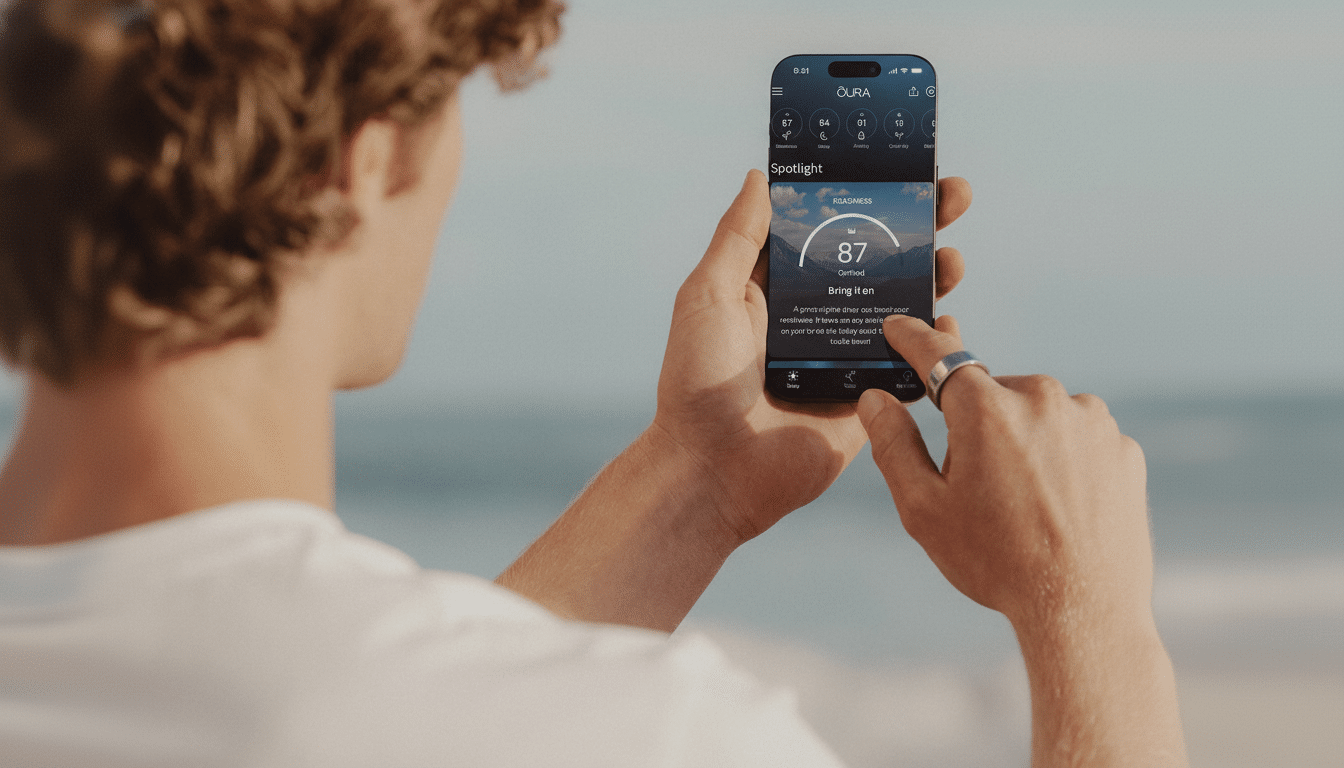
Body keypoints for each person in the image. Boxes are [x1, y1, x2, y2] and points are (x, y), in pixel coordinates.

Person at [0, 1, 1188, 766]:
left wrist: (703, 476)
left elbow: (418, 715)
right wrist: (1094, 627)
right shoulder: (667, 738)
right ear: (357, 160)